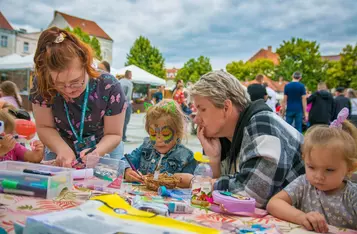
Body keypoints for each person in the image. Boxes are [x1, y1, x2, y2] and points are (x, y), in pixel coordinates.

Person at [178, 71, 305, 208]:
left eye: (202, 109)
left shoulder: (262, 124)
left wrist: (195, 182)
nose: (196, 119)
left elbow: (249, 194)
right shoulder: (225, 135)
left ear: (226, 107)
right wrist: (214, 159)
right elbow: (224, 199)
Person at [30, 27, 126, 167]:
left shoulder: (108, 85)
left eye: (76, 82)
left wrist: (96, 152)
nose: (68, 90)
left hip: (103, 149)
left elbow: (114, 133)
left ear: (86, 66)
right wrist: (62, 149)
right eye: (59, 84)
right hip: (59, 147)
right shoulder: (42, 84)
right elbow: (44, 126)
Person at [267, 108, 357, 232]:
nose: (318, 176)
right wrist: (301, 217)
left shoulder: (352, 196)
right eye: (311, 167)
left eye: (329, 170)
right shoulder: (304, 184)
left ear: (350, 168)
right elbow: (274, 204)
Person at [124, 99, 197, 183]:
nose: (158, 139)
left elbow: (192, 185)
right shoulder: (146, 147)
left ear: (178, 132)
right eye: (153, 134)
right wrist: (127, 170)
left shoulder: (186, 157)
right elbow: (126, 161)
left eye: (165, 134)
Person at [119, 70, 134, 143]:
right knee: (125, 121)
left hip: (117, 103)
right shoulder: (129, 83)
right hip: (126, 104)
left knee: (119, 121)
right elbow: (128, 96)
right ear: (129, 75)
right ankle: (123, 137)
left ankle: (118, 136)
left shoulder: (120, 81)